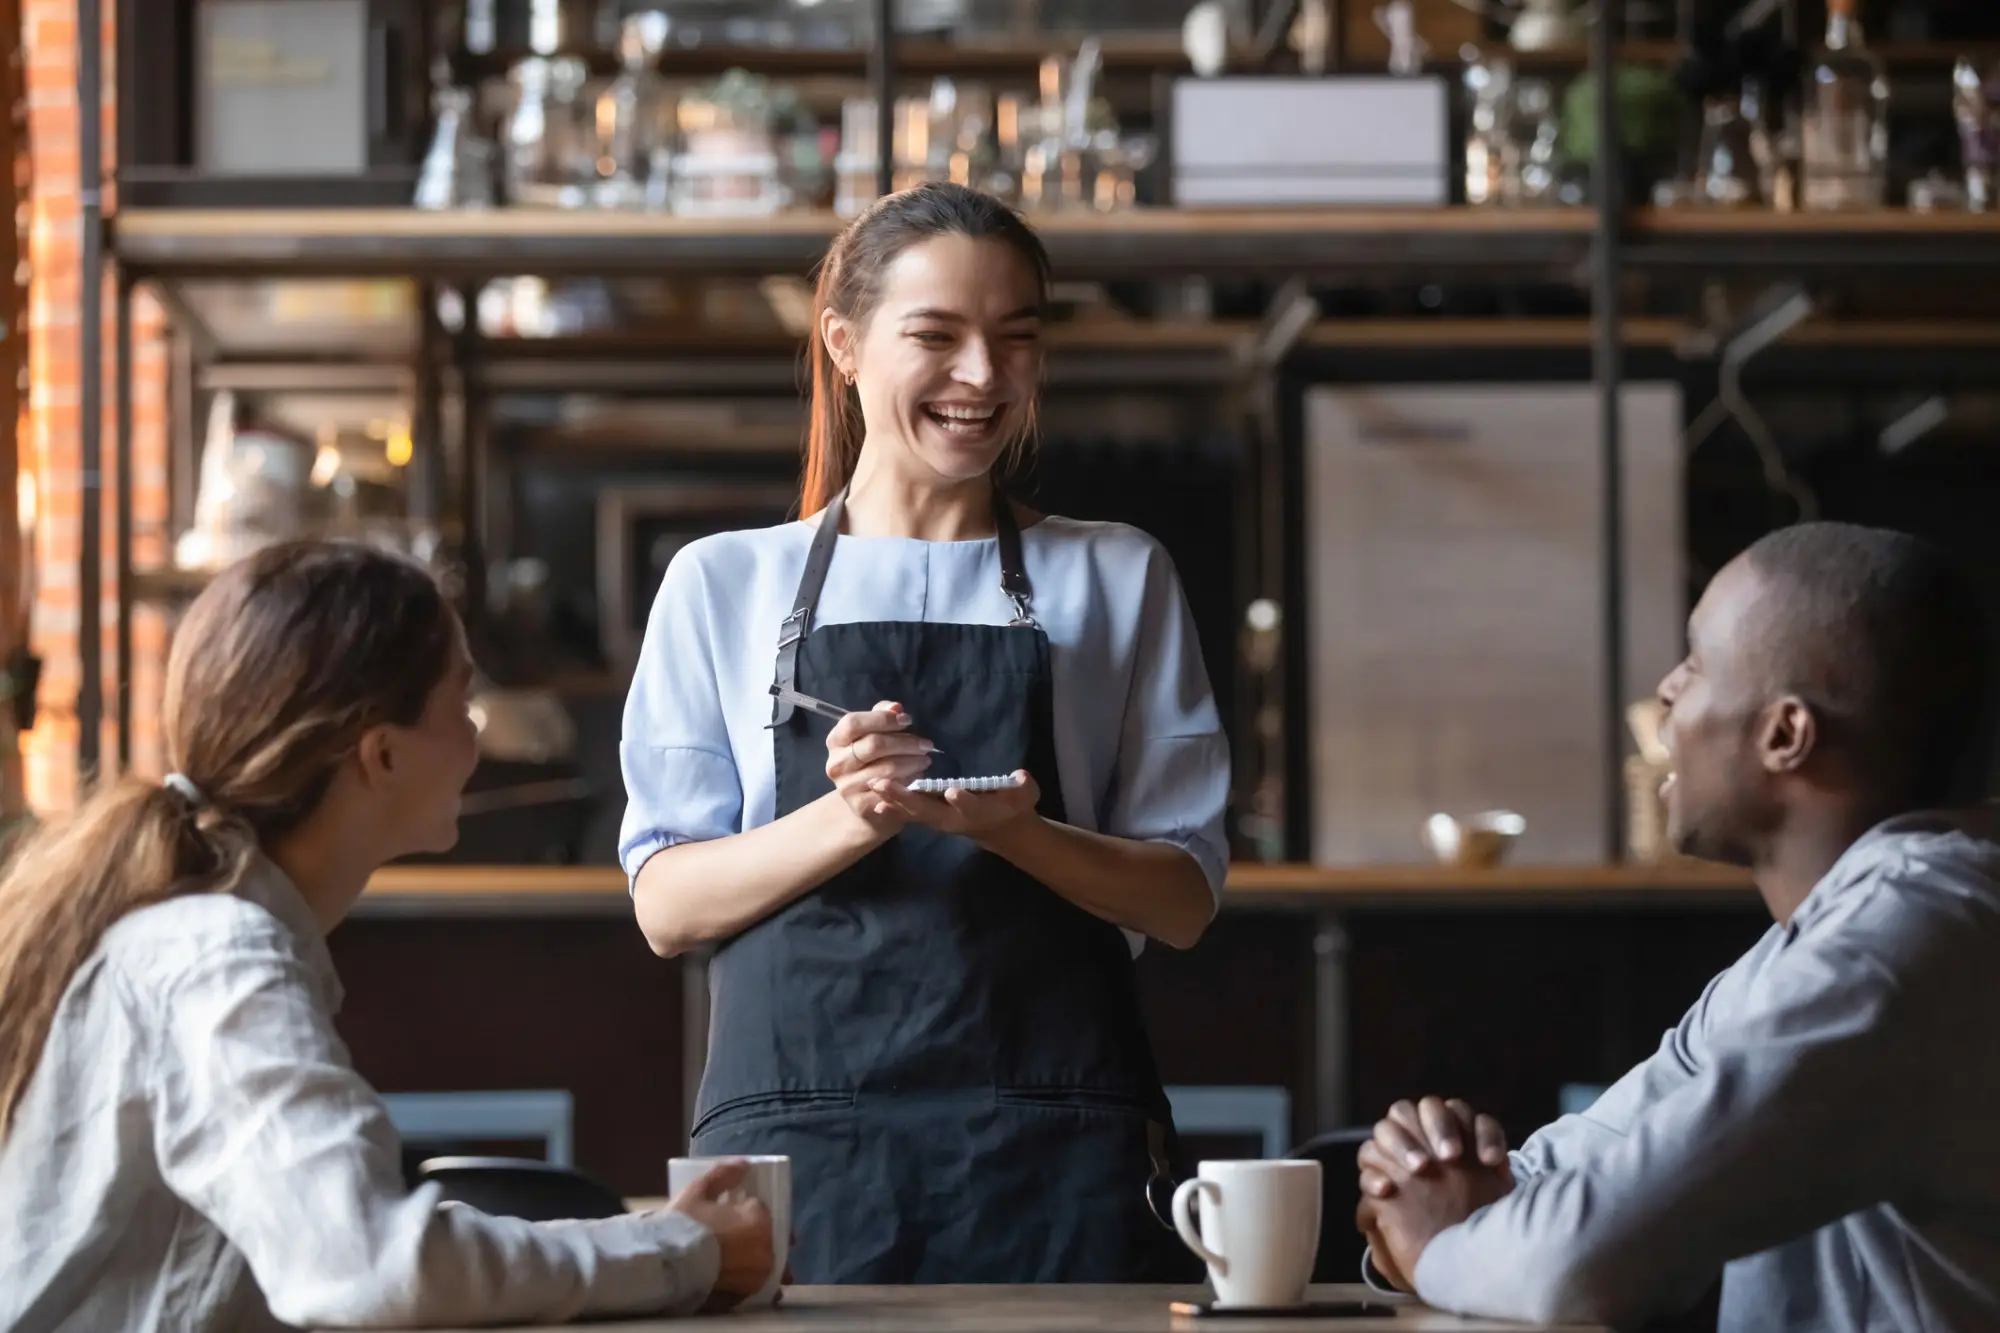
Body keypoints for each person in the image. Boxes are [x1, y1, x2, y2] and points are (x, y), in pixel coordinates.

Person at [619, 182, 1231, 1284]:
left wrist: (1019, 833)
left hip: (1061, 1140)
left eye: (1016, 339)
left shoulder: (1115, 573)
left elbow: (1182, 900)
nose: (982, 378)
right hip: (797, 1144)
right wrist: (852, 814)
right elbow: (667, 906)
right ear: (844, 345)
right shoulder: (723, 582)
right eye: (937, 337)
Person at [0, 541, 776, 1333]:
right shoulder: (218, 957)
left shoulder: (206, 934)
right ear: (381, 751)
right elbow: (374, 1266)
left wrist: (657, 1242)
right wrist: (680, 1253)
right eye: (460, 705)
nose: (477, 739)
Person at [1351, 521, 2000, 1331]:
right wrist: (1421, 1191)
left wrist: (1441, 1244)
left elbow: (1582, 1263)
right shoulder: (1802, 954)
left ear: (1785, 734)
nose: (1665, 691)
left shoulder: (1903, 945)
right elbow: (1580, 1178)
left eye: (1695, 665)